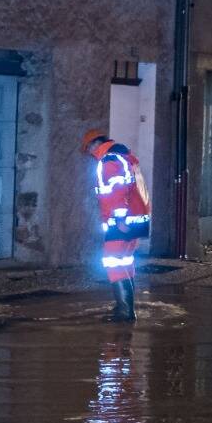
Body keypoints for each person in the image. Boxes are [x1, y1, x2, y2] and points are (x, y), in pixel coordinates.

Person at [83, 129, 151, 322]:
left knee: (113, 262)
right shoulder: (125, 158)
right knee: (124, 261)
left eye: (88, 149)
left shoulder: (109, 161)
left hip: (121, 221)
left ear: (94, 145)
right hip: (136, 219)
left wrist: (119, 220)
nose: (89, 154)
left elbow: (117, 193)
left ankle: (125, 311)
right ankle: (125, 306)